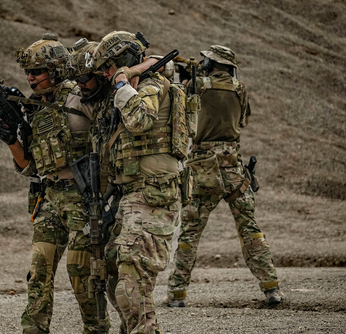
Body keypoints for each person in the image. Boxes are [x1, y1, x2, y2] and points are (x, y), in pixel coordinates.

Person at [0, 33, 110, 333]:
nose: (31, 79)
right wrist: (12, 141)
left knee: (81, 271)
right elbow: (30, 166)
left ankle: (97, 328)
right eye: (28, 73)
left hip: (83, 198)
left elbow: (110, 134)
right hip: (49, 197)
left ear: (56, 70)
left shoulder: (80, 98)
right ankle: (33, 328)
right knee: (38, 271)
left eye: (37, 72)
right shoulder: (34, 107)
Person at [165, 45, 282, 307]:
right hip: (232, 167)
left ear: (210, 63)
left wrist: (185, 82)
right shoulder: (240, 88)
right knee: (250, 230)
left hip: (202, 166)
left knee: (190, 233)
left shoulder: (197, 85)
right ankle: (271, 288)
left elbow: (179, 114)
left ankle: (176, 294)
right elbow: (243, 122)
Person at [90, 31, 185, 334]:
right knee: (112, 272)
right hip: (131, 196)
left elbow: (140, 120)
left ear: (124, 61)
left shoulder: (152, 85)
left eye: (109, 67)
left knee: (132, 288)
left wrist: (121, 82)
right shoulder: (136, 85)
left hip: (152, 196)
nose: (106, 74)